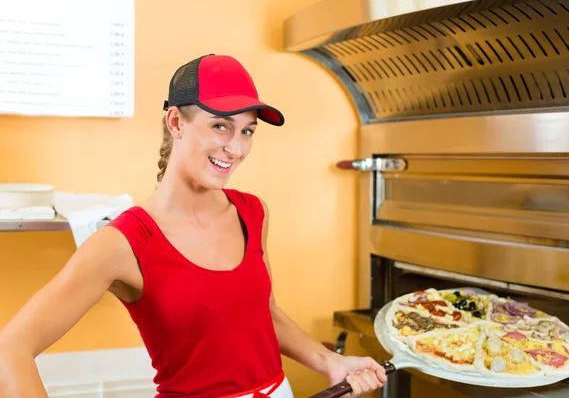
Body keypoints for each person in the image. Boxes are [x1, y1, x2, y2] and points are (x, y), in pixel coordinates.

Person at [0, 54, 387, 398]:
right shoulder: (125, 242)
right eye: (220, 126)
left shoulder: (252, 212)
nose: (235, 148)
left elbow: (262, 314)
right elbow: (11, 348)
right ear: (176, 122)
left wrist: (329, 363)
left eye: (247, 130)